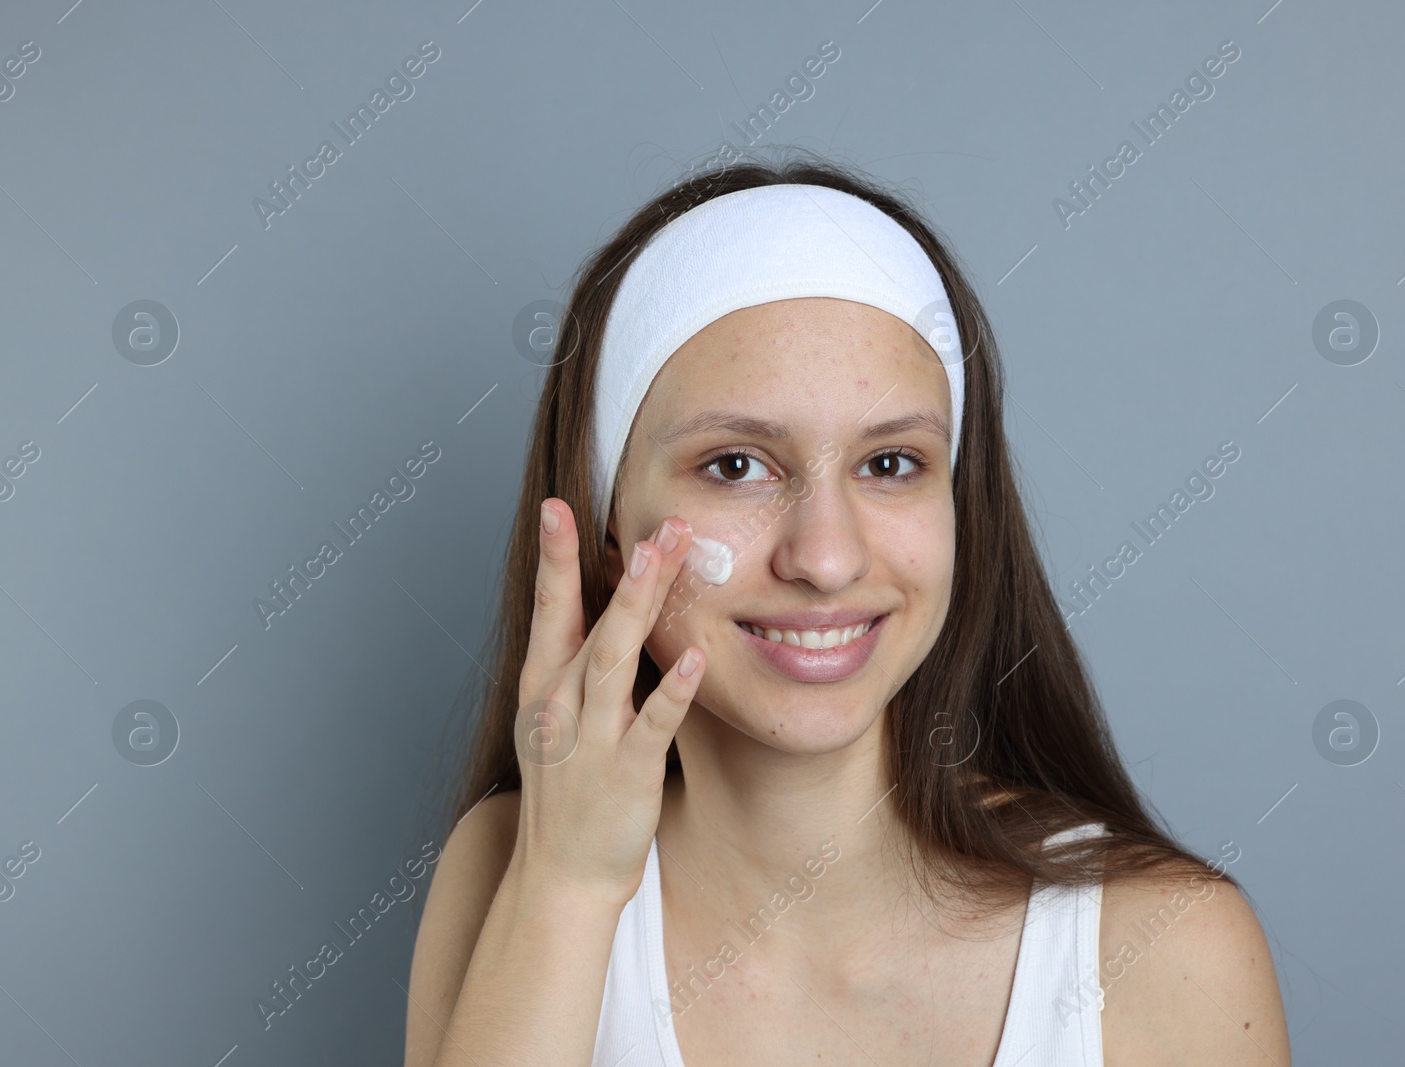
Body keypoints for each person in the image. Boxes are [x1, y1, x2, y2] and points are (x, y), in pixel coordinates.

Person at [403, 152, 1290, 1066]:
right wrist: (568, 886)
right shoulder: (513, 869)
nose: (826, 559)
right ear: (605, 529)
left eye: (891, 463)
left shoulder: (1170, 950)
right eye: (736, 465)